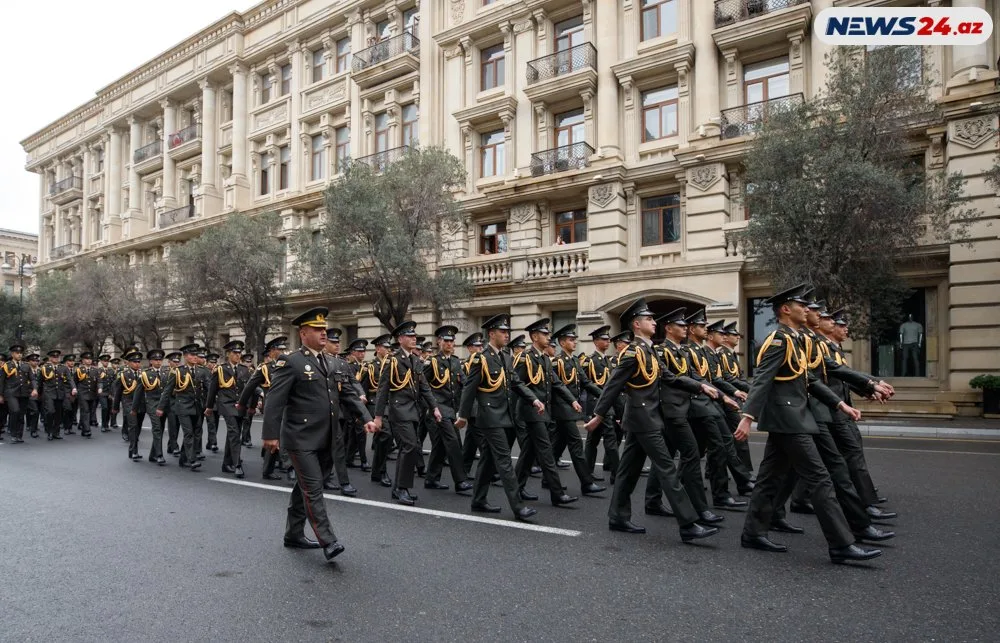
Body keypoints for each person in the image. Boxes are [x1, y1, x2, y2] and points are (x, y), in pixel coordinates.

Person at [735, 284, 883, 563]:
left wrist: (840, 404)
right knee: (819, 478)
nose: (807, 309)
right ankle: (841, 544)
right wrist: (747, 417)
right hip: (789, 420)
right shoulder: (778, 340)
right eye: (801, 305)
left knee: (769, 479)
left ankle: (753, 532)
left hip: (793, 418)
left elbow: (810, 381)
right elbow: (762, 380)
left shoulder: (796, 340)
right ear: (785, 309)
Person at [584, 298, 719, 543]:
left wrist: (699, 386)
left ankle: (617, 516)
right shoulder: (633, 353)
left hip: (642, 419)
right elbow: (612, 387)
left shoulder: (650, 351)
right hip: (643, 418)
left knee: (628, 471)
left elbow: (669, 377)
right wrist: (598, 415)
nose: (654, 322)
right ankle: (688, 523)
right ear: (637, 324)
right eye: (649, 319)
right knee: (667, 467)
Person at [262, 307, 375, 563]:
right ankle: (329, 541)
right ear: (303, 334)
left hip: (328, 437)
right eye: (317, 329)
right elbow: (274, 401)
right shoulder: (290, 362)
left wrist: (366, 418)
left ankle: (293, 534)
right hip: (300, 437)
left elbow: (347, 393)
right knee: (313, 489)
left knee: (304, 489)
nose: (323, 333)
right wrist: (271, 434)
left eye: (324, 329)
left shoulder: (333, 362)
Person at [456, 314, 542, 521]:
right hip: (488, 415)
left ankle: (478, 500)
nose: (506, 335)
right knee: (504, 460)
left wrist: (533, 400)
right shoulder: (481, 358)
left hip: (504, 414)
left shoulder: (505, 357)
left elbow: (515, 383)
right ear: (491, 334)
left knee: (488, 459)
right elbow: (469, 389)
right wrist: (464, 416)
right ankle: (518, 507)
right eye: (502, 332)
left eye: (507, 332)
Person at [512, 318, 580, 507]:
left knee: (528, 451)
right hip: (531, 411)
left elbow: (556, 383)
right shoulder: (526, 358)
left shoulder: (544, 358)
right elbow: (516, 383)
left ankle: (516, 487)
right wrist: (533, 399)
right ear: (534, 337)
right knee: (546, 451)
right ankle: (557, 494)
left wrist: (572, 400)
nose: (548, 337)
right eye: (544, 334)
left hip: (543, 411)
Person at [374, 321, 442, 506]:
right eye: (410, 336)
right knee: (410, 446)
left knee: (409, 448)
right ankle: (402, 488)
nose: (414, 339)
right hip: (398, 410)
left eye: (414, 336)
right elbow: (382, 390)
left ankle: (399, 488)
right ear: (400, 339)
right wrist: (378, 417)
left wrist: (434, 407)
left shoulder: (415, 360)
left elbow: (425, 387)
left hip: (413, 411)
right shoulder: (392, 360)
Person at [550, 324, 607, 497]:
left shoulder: (574, 360)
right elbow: (556, 387)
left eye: (574, 339)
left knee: (557, 445)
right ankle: (586, 483)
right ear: (561, 342)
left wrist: (605, 395)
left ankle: (547, 478)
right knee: (576, 444)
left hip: (570, 408)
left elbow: (586, 383)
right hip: (562, 408)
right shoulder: (557, 362)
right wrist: (572, 401)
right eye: (570, 340)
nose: (574, 342)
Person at [423, 325, 474, 494]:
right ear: (439, 342)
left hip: (451, 409)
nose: (450, 343)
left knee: (440, 445)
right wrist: (430, 408)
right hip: (438, 408)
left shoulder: (455, 362)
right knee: (453, 442)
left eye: (452, 341)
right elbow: (423, 386)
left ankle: (431, 478)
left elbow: (464, 384)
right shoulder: (432, 362)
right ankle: (460, 480)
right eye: (446, 340)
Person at [238, 336, 290, 481]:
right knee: (275, 436)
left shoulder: (290, 365)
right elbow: (250, 386)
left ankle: (287, 465)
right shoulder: (265, 369)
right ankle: (271, 469)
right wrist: (242, 403)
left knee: (287, 436)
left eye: (283, 349)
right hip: (273, 407)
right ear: (272, 352)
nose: (283, 352)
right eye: (279, 349)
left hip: (289, 406)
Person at [206, 341, 252, 479]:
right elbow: (212, 390)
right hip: (226, 405)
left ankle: (226, 463)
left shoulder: (245, 369)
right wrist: (209, 407)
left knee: (234, 435)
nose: (238, 355)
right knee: (233, 432)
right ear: (228, 354)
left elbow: (247, 389)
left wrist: (252, 404)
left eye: (239, 353)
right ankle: (237, 464)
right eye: (235, 353)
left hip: (240, 405)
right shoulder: (220, 369)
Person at [581, 326, 621, 483]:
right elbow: (585, 383)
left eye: (608, 339)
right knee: (610, 438)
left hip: (606, 404)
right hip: (597, 404)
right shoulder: (589, 361)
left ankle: (587, 473)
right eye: (604, 339)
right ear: (596, 341)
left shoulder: (607, 360)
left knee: (593, 440)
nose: (608, 341)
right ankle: (617, 474)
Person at [157, 344, 204, 471]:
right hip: (182, 406)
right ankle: (192, 459)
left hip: (196, 407)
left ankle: (183, 459)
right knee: (188, 432)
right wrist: (161, 407)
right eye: (192, 355)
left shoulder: (200, 370)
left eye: (196, 355)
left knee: (194, 433)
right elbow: (167, 391)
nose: (195, 357)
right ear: (185, 356)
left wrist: (208, 406)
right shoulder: (178, 371)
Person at [133, 349, 168, 465]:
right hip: (152, 404)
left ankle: (153, 454)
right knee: (157, 428)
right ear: (151, 361)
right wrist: (134, 409)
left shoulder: (166, 372)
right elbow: (138, 393)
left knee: (161, 429)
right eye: (155, 360)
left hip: (164, 405)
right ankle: (159, 455)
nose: (158, 362)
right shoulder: (145, 374)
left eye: (160, 360)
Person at [0, 344, 37, 444]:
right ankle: (13, 433)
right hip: (11, 393)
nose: (19, 355)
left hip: (24, 393)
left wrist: (35, 389)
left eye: (21, 353)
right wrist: (1, 395)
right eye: (17, 353)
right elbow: (2, 381)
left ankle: (19, 435)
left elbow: (32, 378)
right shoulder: (6, 366)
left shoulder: (26, 365)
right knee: (15, 411)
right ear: (12, 354)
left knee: (21, 414)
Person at [113, 350, 145, 462]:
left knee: (138, 427)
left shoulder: (143, 374)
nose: (137, 364)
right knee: (132, 426)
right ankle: (134, 450)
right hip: (129, 403)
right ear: (129, 363)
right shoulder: (124, 375)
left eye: (138, 362)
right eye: (135, 362)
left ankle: (133, 449)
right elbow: (118, 393)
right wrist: (115, 407)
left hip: (141, 404)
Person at [74, 352, 99, 436]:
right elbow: (75, 382)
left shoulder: (95, 370)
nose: (89, 361)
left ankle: (83, 428)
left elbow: (99, 381)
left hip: (92, 394)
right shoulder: (79, 370)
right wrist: (75, 390)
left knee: (91, 411)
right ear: (83, 360)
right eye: (87, 359)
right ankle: (87, 429)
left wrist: (100, 387)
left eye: (90, 359)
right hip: (82, 393)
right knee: (85, 410)